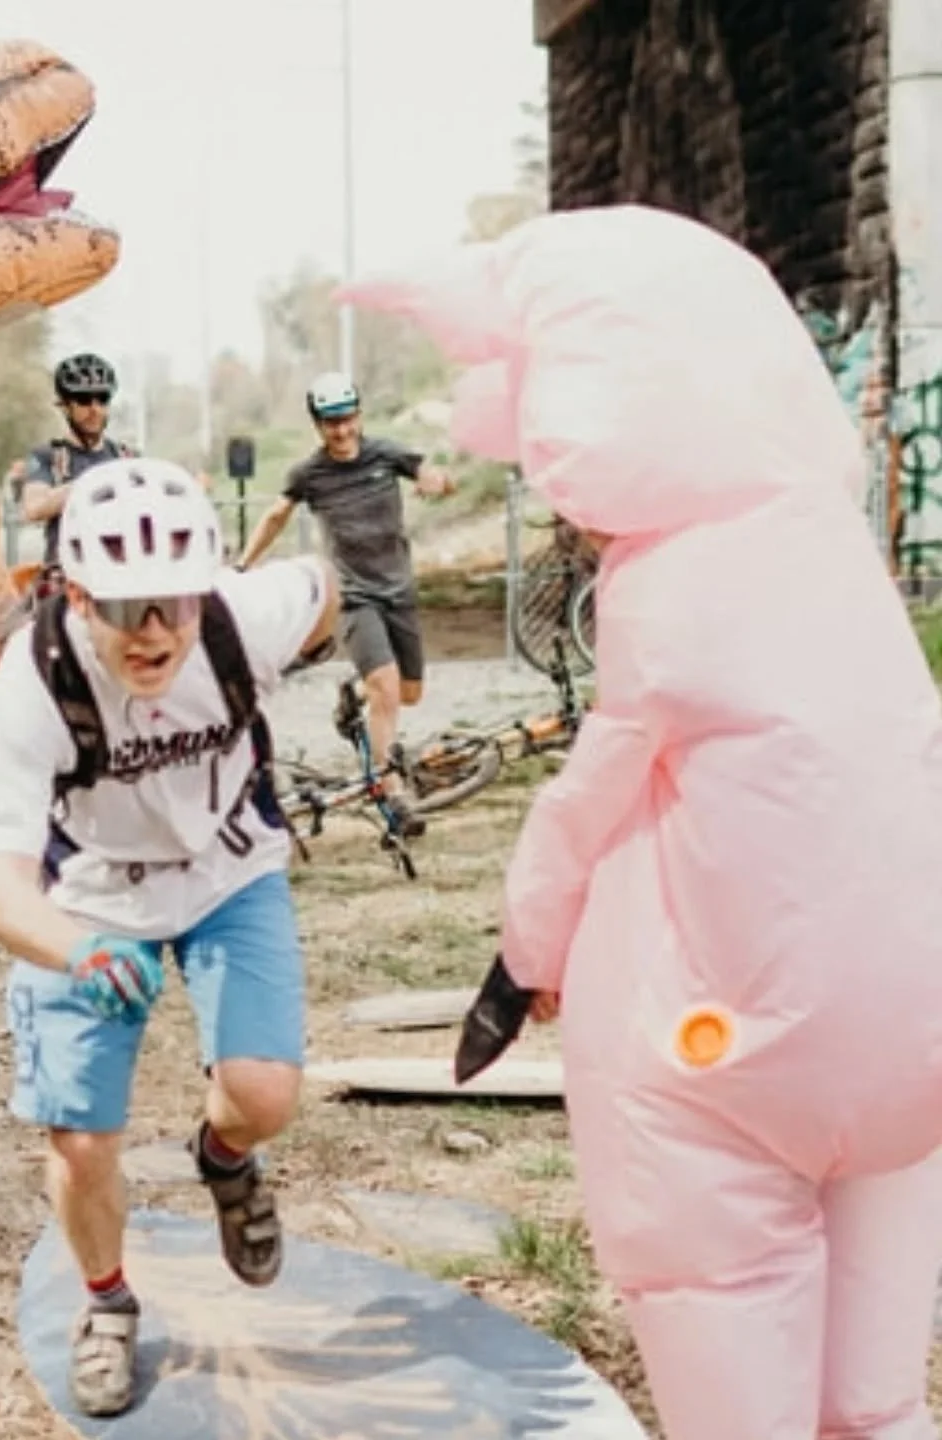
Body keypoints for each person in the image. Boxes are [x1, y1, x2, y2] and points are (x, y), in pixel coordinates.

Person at [344, 204, 942, 1440]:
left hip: (731, 1053)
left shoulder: (664, 587)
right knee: (873, 1398)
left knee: (730, 1297)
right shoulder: (841, 551)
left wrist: (523, 961)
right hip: (911, 1041)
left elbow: (587, 801)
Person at [0, 457, 339, 1418]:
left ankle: (222, 1161)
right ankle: (107, 1303)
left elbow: (326, 587)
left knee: (262, 1096)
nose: (155, 632)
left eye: (173, 602)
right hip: (88, 898)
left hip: (228, 870)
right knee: (84, 1143)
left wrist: (321, 652)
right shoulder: (33, 681)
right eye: (125, 607)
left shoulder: (236, 617)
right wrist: (76, 950)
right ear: (75, 592)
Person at [235, 371, 455, 836]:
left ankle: (350, 697)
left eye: (348, 419)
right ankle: (391, 791)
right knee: (387, 688)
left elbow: (427, 471)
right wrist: (245, 563)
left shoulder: (385, 454)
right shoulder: (309, 474)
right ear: (318, 425)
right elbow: (276, 515)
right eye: (331, 423)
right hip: (354, 597)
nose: (341, 431)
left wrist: (438, 481)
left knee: (408, 693)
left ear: (359, 415)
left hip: (399, 589)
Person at [19, 352, 134, 585]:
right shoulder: (47, 456)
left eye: (102, 399)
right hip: (64, 578)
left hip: (118, 576)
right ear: (64, 406)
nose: (94, 409)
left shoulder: (125, 457)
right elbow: (33, 508)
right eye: (83, 400)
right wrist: (94, 482)